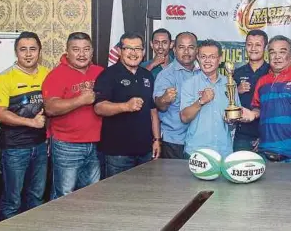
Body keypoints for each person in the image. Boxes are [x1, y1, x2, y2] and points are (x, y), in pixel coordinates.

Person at [0, 31, 49, 219]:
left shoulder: (47, 74)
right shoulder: (4, 78)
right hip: (14, 149)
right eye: (23, 49)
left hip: (40, 147)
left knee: (36, 198)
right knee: (12, 201)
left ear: (39, 51)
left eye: (33, 49)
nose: (28, 54)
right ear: (16, 52)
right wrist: (31, 122)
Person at [42, 32, 103, 199]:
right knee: (64, 195)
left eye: (86, 49)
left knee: (92, 194)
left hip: (97, 144)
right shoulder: (56, 75)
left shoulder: (100, 72)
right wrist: (80, 100)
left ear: (92, 52)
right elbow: (50, 108)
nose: (81, 54)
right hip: (67, 145)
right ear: (67, 52)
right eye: (76, 49)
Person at [241, 35, 291, 163]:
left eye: (282, 52)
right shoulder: (262, 81)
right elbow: (258, 108)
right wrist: (253, 114)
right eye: (272, 52)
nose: (277, 57)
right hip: (266, 154)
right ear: (268, 55)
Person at [94, 32, 161, 177]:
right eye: (128, 48)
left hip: (145, 151)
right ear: (119, 51)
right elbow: (99, 108)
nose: (133, 53)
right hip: (117, 153)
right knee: (117, 197)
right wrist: (125, 106)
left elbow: (153, 111)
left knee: (144, 194)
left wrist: (156, 140)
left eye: (138, 49)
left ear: (143, 52)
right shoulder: (108, 75)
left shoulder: (147, 75)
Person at [180, 39, 240, 157]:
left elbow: (235, 117)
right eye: (203, 56)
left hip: (224, 151)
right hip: (196, 152)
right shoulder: (189, 84)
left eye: (212, 56)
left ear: (220, 58)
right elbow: (184, 117)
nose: (207, 60)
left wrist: (232, 120)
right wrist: (201, 101)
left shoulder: (230, 83)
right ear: (198, 58)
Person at [154, 32, 201, 159]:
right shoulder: (166, 75)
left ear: (197, 50)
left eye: (190, 47)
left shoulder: (204, 73)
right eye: (181, 47)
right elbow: (159, 105)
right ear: (174, 50)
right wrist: (164, 99)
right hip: (175, 142)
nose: (186, 51)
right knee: (174, 179)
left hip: (200, 141)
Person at [232, 29, 269, 152]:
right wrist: (236, 91)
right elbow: (227, 102)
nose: (253, 48)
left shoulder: (272, 71)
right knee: (239, 169)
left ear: (265, 47)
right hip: (242, 135)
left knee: (270, 171)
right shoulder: (237, 73)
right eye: (249, 44)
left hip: (268, 134)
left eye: (258, 44)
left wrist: (265, 136)